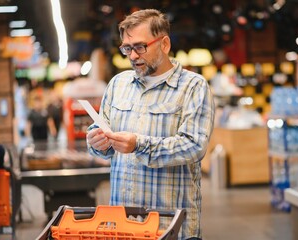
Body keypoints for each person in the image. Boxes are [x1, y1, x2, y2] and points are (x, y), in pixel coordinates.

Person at [86, 9, 214, 240]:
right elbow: (101, 137)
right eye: (127, 48)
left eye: (140, 47)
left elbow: (194, 146)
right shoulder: (118, 84)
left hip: (170, 228)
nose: (133, 56)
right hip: (123, 227)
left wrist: (138, 145)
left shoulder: (193, 87)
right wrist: (97, 141)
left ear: (164, 44)